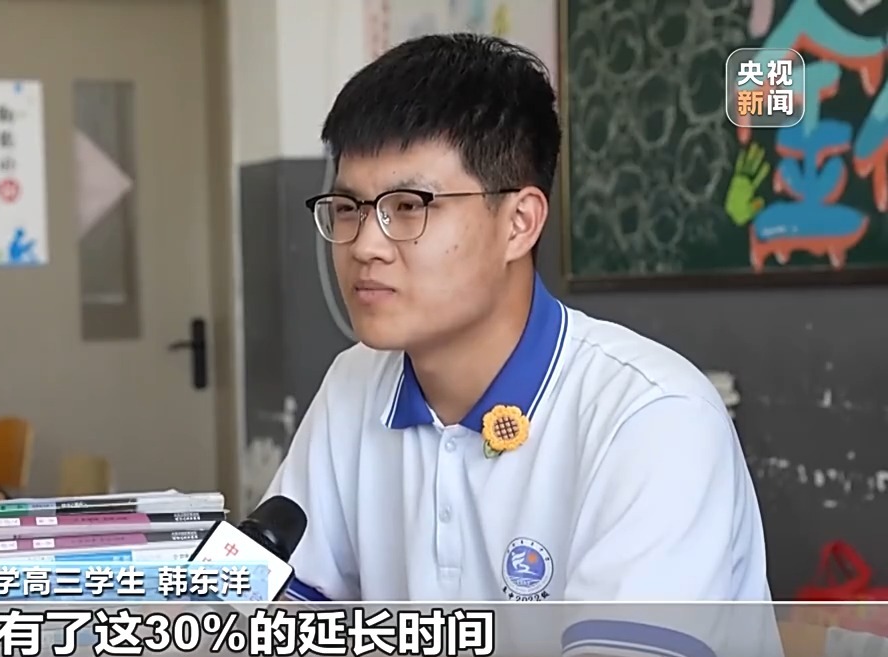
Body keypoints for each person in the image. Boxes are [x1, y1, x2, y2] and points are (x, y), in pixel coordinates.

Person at [263, 32, 777, 655]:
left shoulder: (652, 418)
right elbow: (269, 619)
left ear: (519, 223)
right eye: (348, 208)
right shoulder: (355, 384)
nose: (366, 245)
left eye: (408, 206)